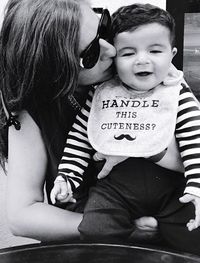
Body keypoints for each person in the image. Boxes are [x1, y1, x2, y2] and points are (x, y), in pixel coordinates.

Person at [0, 0, 169, 243]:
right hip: (87, 246)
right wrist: (117, 225)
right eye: (90, 54)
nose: (111, 50)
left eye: (103, 26)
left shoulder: (141, 67)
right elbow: (21, 216)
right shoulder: (32, 110)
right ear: (55, 71)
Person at [50, 3, 200, 255]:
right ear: (114, 60)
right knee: (94, 231)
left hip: (171, 192)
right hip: (114, 192)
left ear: (172, 53)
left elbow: (194, 140)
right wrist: (67, 177)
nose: (142, 59)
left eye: (155, 50)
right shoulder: (101, 94)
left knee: (193, 235)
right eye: (128, 53)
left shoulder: (176, 94)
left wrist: (196, 186)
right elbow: (80, 138)